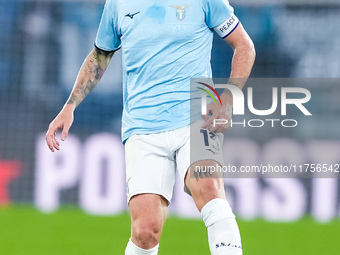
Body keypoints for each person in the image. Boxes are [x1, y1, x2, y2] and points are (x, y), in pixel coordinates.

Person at [45, 0, 255, 254]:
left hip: (196, 115)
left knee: (209, 187)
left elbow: (244, 45)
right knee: (145, 232)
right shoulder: (117, 4)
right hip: (142, 126)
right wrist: (70, 105)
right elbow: (100, 56)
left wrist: (229, 99)